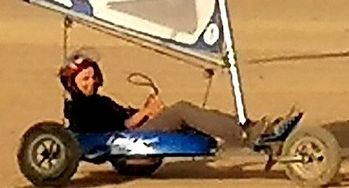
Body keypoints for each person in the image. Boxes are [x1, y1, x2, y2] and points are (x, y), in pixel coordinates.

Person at [59, 53, 289, 149]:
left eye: (93, 76)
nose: (92, 82)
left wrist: (147, 112)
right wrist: (147, 112)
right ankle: (247, 134)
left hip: (133, 132)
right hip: (126, 140)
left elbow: (123, 118)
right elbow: (117, 128)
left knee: (192, 114)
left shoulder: (97, 100)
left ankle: (247, 127)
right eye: (85, 79)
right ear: (73, 82)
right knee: (182, 110)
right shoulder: (81, 106)